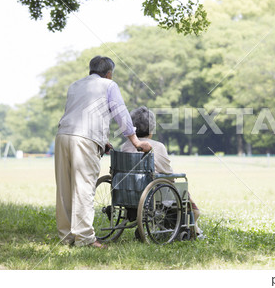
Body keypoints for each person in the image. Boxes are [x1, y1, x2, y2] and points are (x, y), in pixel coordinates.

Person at [54, 56, 152, 248]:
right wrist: (136, 141)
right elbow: (121, 113)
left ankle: (66, 237)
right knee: (84, 187)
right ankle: (85, 239)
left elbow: (78, 113)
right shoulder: (109, 85)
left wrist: (103, 139)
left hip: (63, 135)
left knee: (64, 189)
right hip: (85, 139)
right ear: (109, 73)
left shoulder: (75, 85)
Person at [120, 106, 203, 238]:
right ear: (151, 129)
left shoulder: (124, 147)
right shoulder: (158, 146)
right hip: (154, 194)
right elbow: (168, 174)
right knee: (192, 207)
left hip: (128, 192)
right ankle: (193, 230)